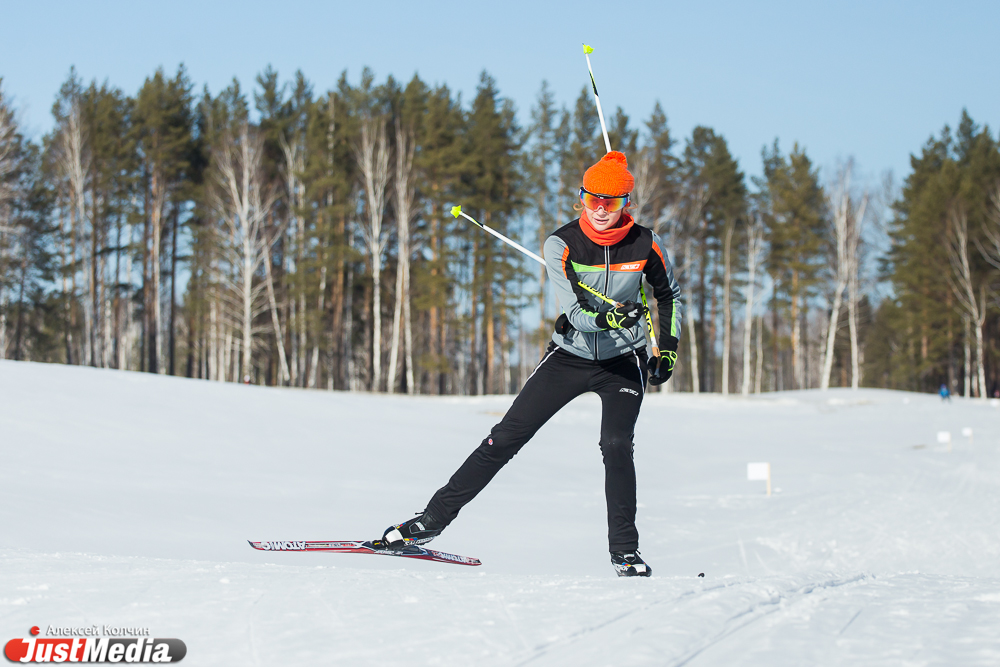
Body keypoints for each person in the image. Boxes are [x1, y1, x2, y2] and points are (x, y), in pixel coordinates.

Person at [382, 152, 683, 577]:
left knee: (616, 447)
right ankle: (428, 523)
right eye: (592, 199)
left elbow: (668, 294)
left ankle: (625, 553)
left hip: (624, 360)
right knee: (506, 437)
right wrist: (609, 317)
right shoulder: (560, 244)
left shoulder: (646, 243)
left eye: (610, 203)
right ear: (581, 197)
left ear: (625, 203)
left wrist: (666, 349)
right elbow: (576, 315)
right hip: (572, 354)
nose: (599, 210)